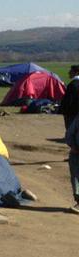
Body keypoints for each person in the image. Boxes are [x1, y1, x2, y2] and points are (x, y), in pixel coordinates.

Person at [62, 65, 79, 214]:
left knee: (75, 174)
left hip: (76, 148)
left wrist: (72, 145)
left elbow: (70, 133)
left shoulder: (73, 85)